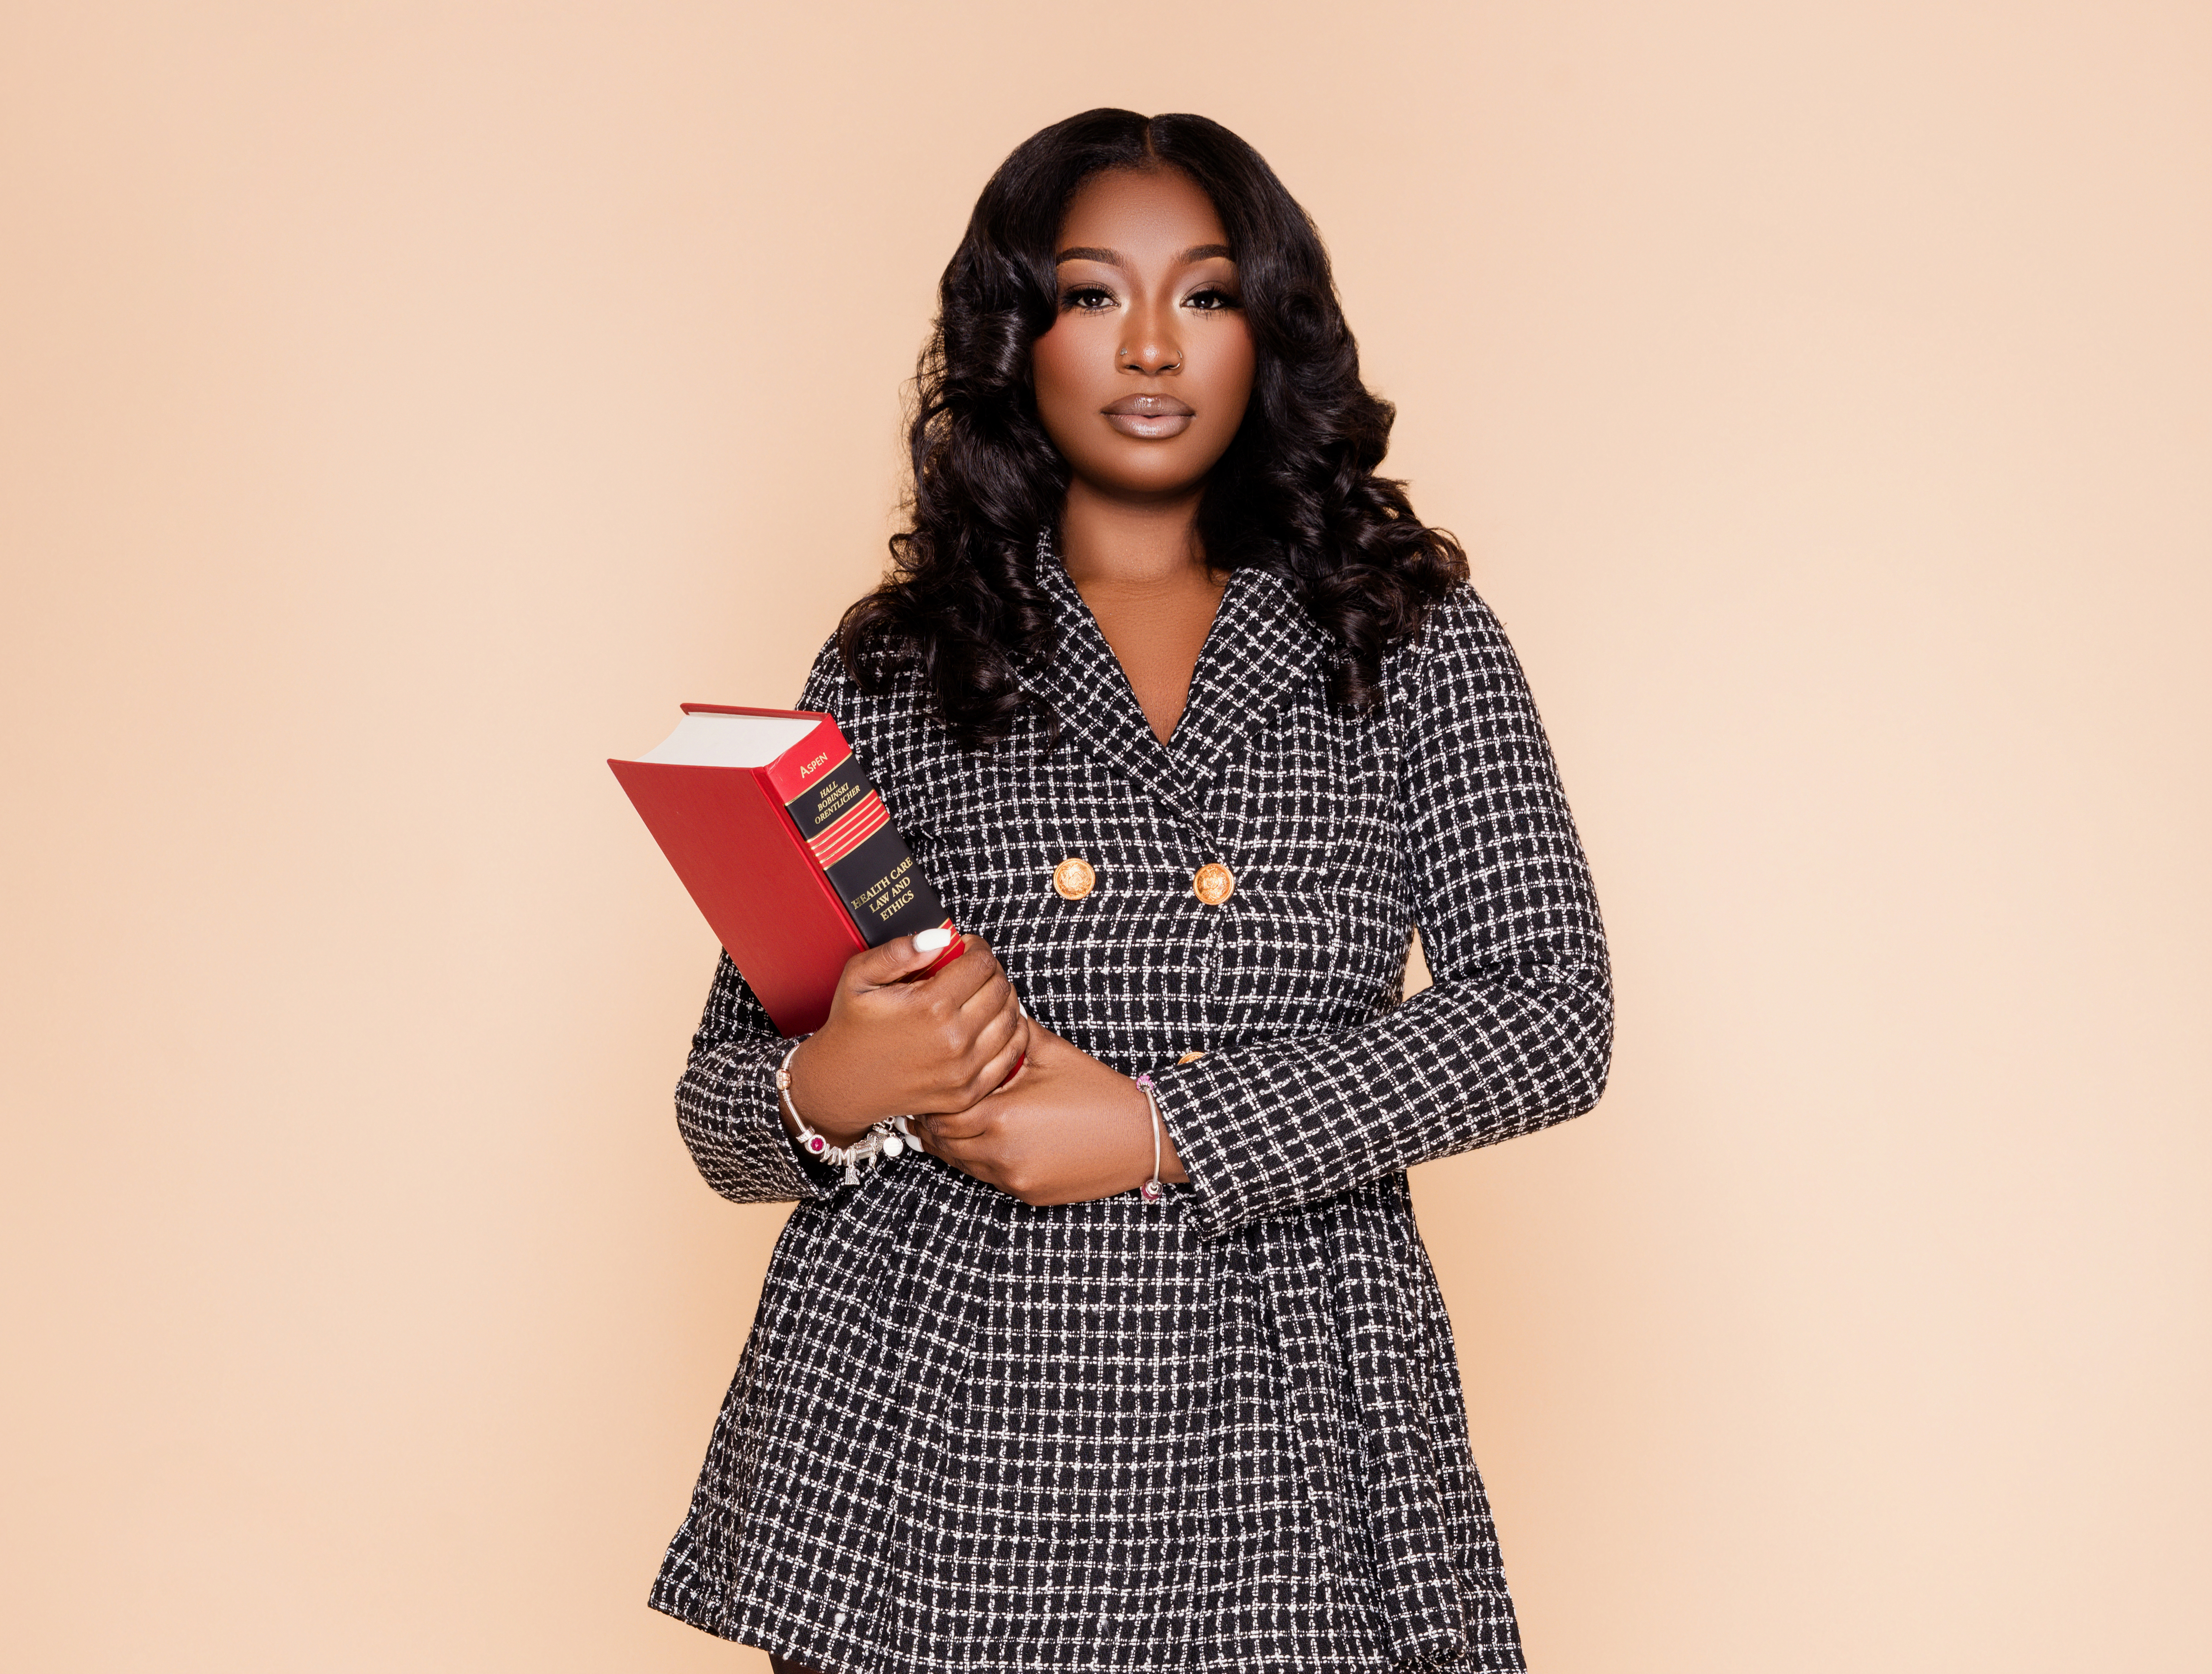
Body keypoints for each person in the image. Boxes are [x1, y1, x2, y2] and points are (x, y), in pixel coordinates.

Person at [647, 109, 1611, 1674]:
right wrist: (833, 1080)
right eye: (1095, 294)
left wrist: (1167, 1128)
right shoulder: (899, 661)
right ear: (1018, 335)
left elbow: (1550, 1017)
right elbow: (720, 1111)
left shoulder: (1402, 632)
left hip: (1289, 1407)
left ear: (1269, 332)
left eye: (1207, 296)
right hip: (937, 1426)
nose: (1151, 345)